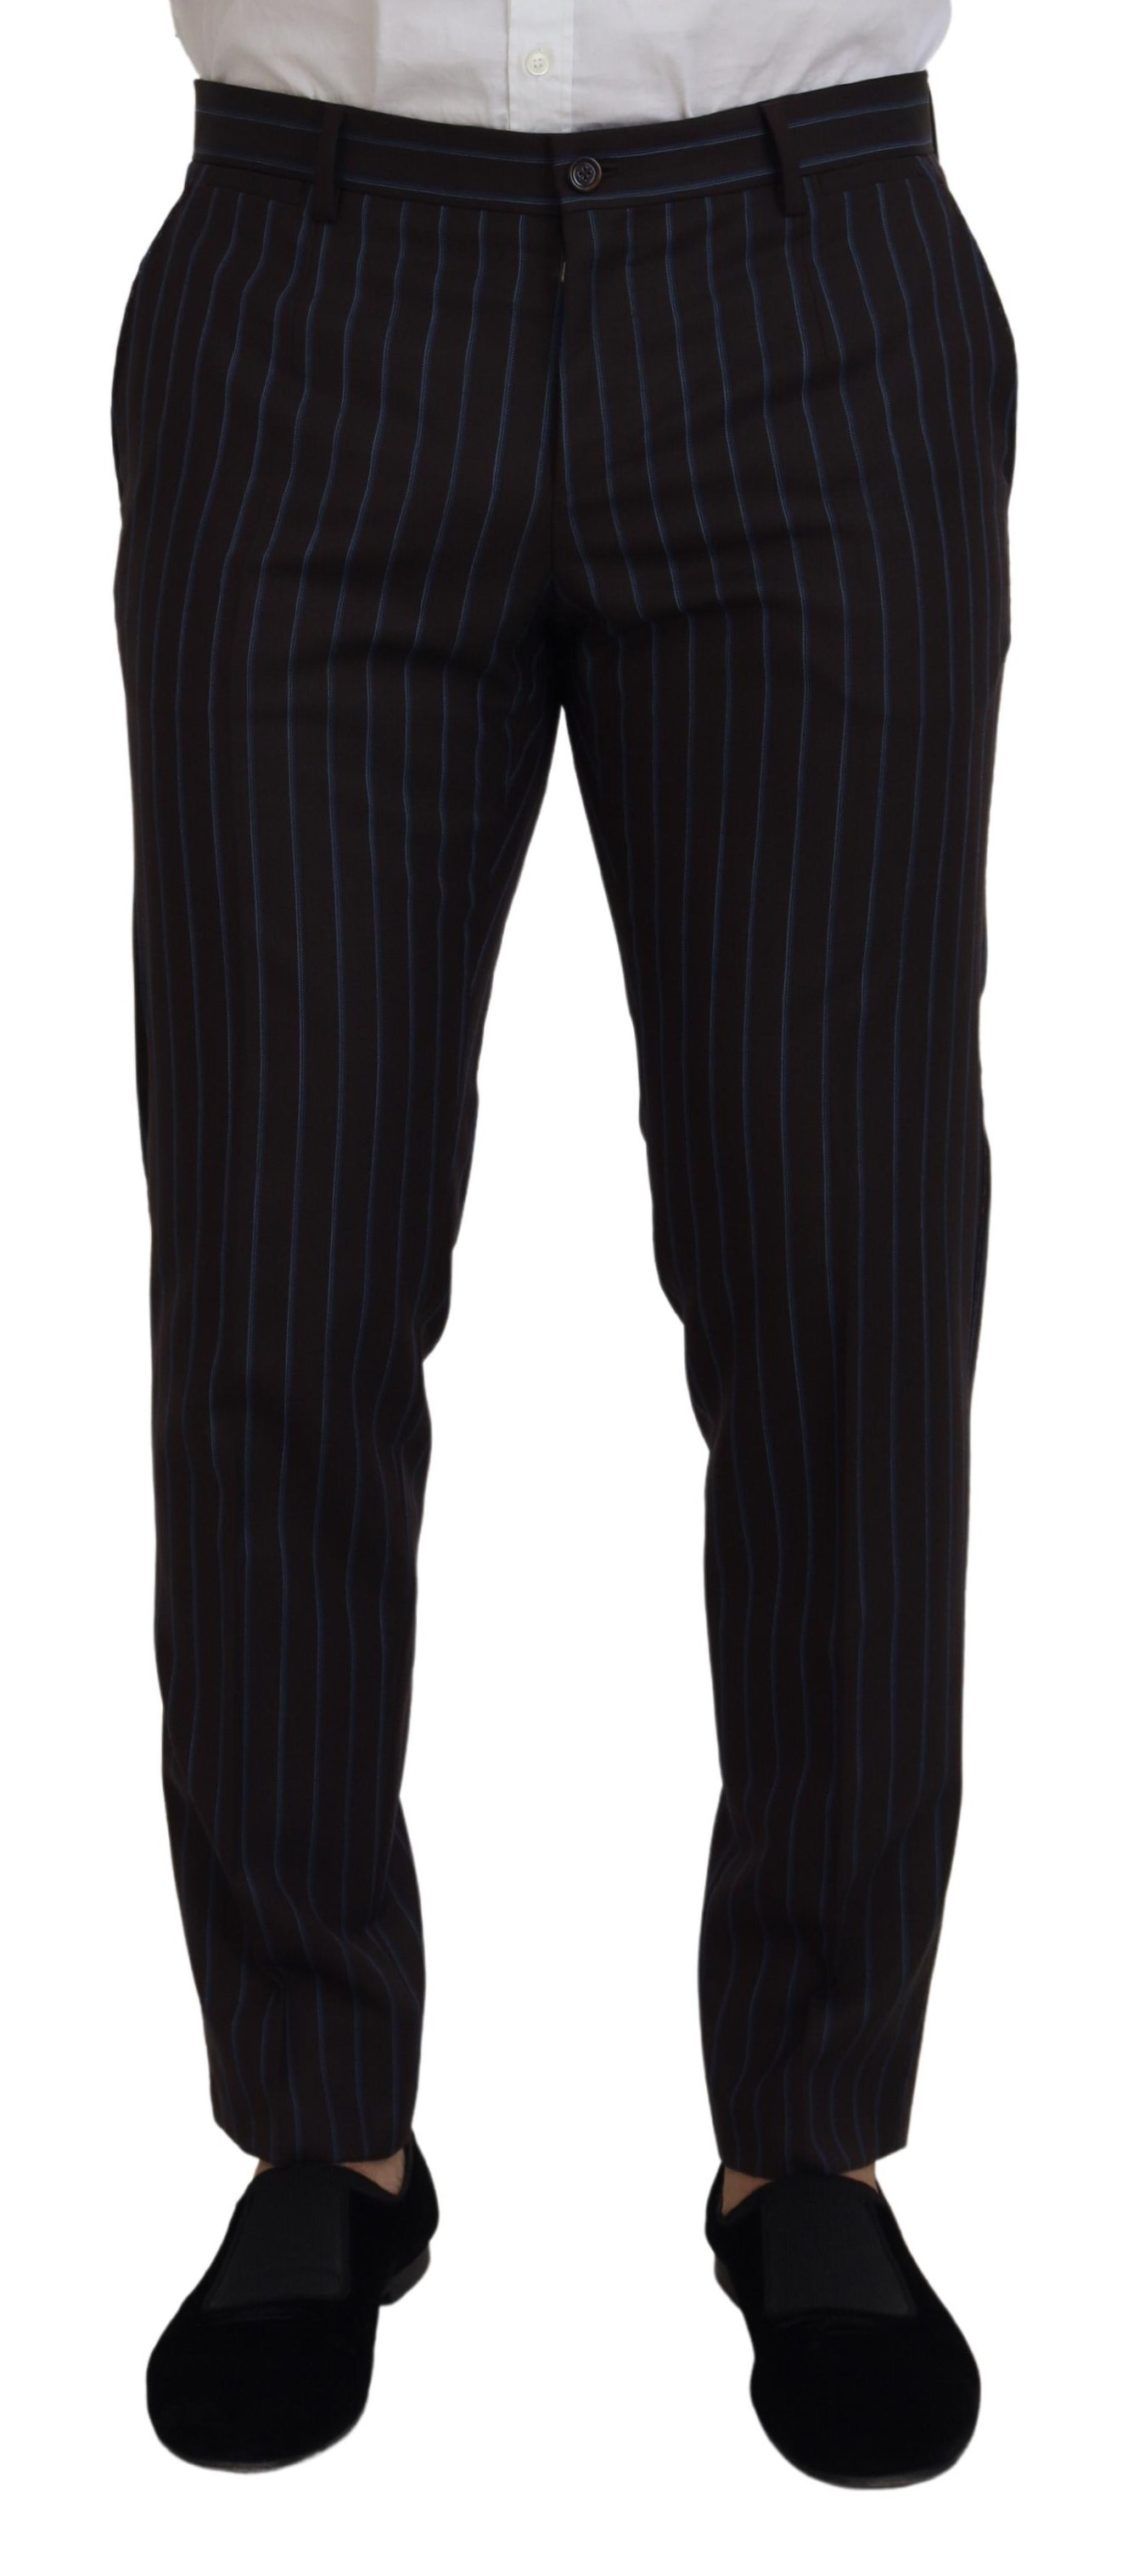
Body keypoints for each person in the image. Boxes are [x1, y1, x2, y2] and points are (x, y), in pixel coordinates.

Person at [111, 0, 1015, 2485]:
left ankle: (812, 2142)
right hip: (308, 276)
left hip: (809, 272)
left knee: (843, 1269)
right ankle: (318, 2126)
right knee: (280, 1258)